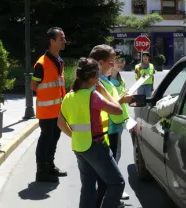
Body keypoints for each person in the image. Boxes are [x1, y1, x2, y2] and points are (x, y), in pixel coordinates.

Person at [57, 57, 125, 208]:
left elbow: (60, 124)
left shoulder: (69, 97)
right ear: (95, 77)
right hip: (96, 146)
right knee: (117, 183)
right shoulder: (93, 96)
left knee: (88, 187)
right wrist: (104, 91)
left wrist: (76, 136)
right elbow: (118, 111)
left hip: (79, 147)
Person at [89, 44, 133, 208]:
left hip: (113, 129)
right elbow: (104, 105)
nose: (114, 64)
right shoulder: (95, 81)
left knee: (107, 174)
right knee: (108, 176)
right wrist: (121, 100)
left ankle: (107, 201)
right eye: (111, 61)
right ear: (100, 62)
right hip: (105, 133)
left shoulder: (105, 79)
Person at [31, 27, 67, 183]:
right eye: (61, 38)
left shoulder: (59, 61)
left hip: (58, 111)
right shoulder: (41, 64)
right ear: (52, 41)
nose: (64, 41)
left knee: (54, 139)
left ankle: (50, 167)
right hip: (46, 111)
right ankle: (41, 171)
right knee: (46, 139)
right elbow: (34, 86)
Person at [109, 49, 130, 200]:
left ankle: (112, 189)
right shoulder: (107, 82)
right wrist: (122, 99)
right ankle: (114, 190)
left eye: (122, 61)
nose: (120, 63)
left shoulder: (120, 79)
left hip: (119, 124)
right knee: (113, 158)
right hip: (110, 125)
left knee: (116, 155)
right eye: (118, 60)